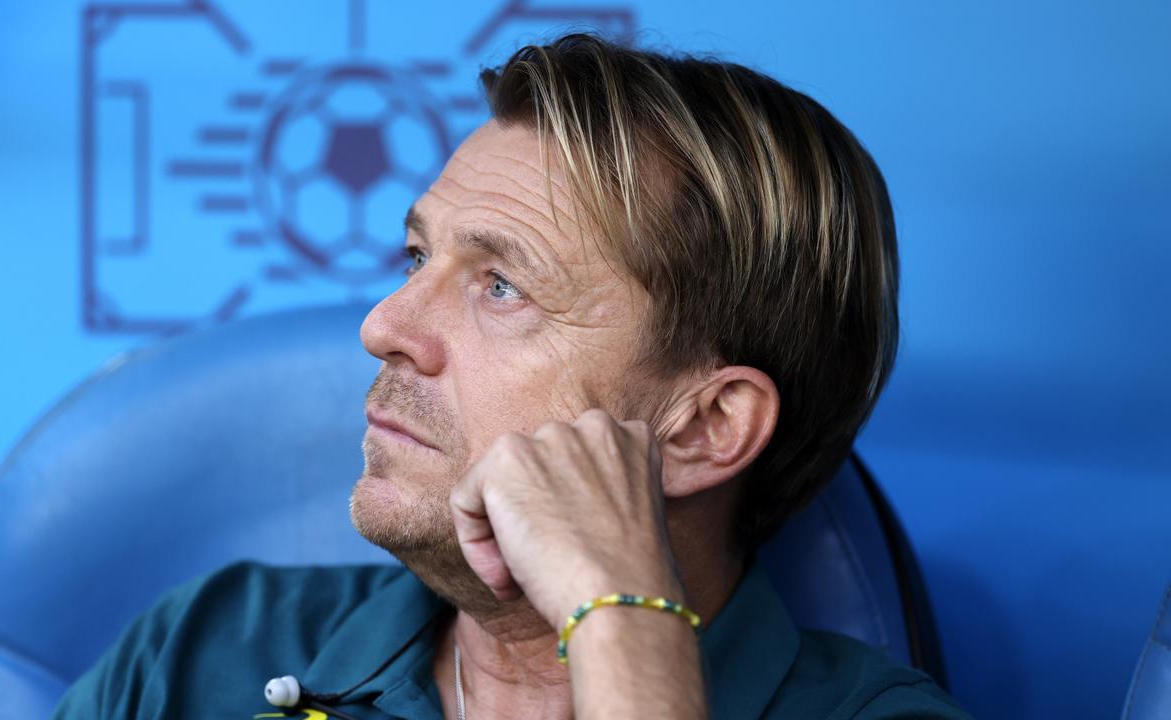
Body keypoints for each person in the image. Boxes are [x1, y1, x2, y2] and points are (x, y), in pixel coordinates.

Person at [54, 33, 969, 719]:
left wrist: (625, 628)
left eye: (502, 286)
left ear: (704, 427)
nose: (383, 326)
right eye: (417, 259)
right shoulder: (203, 649)